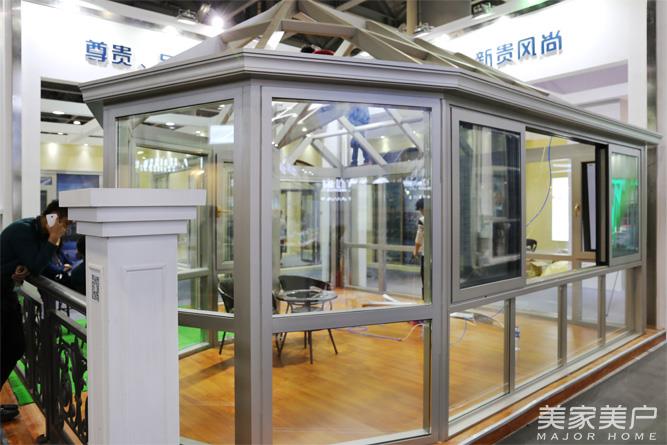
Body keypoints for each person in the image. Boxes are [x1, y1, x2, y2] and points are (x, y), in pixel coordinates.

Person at [0, 200, 69, 422]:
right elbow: (37, 265)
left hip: (6, 294)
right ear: (52, 217)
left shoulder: (37, 234)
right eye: (64, 223)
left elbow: (41, 266)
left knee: (15, 346)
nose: (65, 229)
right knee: (11, 346)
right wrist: (53, 238)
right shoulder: (23, 231)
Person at [413, 198, 425, 297]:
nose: (420, 212)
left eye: (420, 209)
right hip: (439, 255)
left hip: (427, 255)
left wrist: (415, 251)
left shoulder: (422, 220)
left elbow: (419, 239)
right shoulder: (439, 218)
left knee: (425, 279)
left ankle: (427, 301)